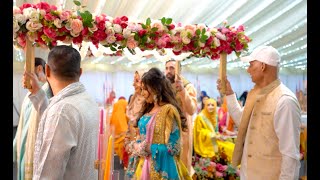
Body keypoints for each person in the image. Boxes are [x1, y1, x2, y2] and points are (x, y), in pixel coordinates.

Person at [216, 45, 301, 179]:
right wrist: (229, 93)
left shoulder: (285, 101)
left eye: (251, 64)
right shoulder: (256, 94)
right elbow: (242, 120)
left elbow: (290, 155)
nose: (248, 69)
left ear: (263, 66)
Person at [24, 45, 99, 179]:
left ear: (46, 70)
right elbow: (56, 121)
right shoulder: (88, 100)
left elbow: (48, 174)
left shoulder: (61, 112)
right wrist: (37, 93)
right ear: (80, 72)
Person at [126, 67, 191, 179]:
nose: (142, 93)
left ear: (155, 89)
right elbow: (141, 136)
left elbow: (174, 148)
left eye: (144, 89)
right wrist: (135, 145)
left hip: (161, 170)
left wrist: (146, 148)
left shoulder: (169, 111)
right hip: (142, 166)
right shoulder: (148, 109)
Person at [13, 57, 52, 180]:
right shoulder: (30, 95)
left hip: (36, 150)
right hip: (24, 147)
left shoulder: (48, 92)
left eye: (26, 72)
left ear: (39, 69)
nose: (23, 76)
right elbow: (23, 126)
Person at [165, 59, 197, 175]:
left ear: (179, 70)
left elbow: (191, 109)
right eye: (167, 68)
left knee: (181, 166)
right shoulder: (165, 87)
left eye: (172, 68)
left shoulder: (188, 86)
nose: (168, 71)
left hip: (182, 132)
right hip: (166, 131)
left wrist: (182, 91)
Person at [124, 70, 146, 168]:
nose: (133, 84)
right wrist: (127, 142)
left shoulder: (149, 103)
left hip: (143, 152)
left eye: (137, 81)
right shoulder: (133, 99)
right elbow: (129, 125)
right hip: (132, 149)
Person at [109, 96, 129, 164]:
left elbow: (110, 123)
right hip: (123, 136)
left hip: (114, 136)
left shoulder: (116, 106)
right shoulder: (125, 103)